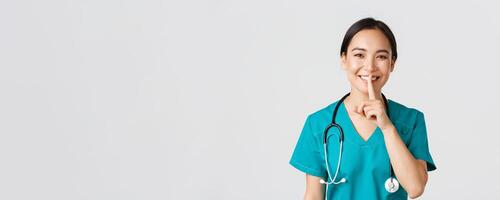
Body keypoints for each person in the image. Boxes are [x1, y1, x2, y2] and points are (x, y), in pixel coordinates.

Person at [289, 17, 436, 200]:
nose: (370, 66)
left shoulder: (410, 120)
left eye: (381, 57)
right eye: (359, 55)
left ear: (392, 64)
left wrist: (387, 127)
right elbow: (313, 196)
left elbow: (415, 188)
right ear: (344, 59)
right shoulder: (318, 124)